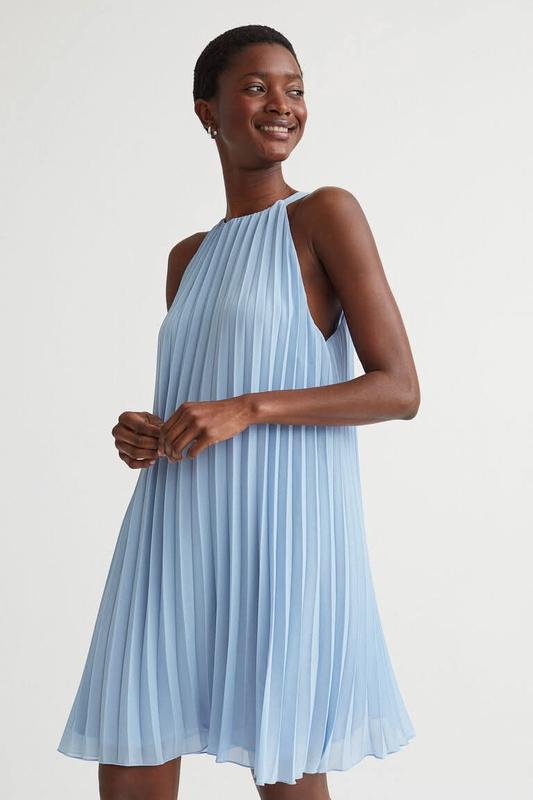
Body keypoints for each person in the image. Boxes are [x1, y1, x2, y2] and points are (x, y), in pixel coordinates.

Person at [57, 24, 420, 800]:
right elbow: (201, 395)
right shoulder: (187, 258)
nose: (281, 104)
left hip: (280, 533)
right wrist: (149, 433)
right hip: (171, 527)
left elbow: (398, 389)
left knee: (285, 772)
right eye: (256, 87)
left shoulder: (324, 214)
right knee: (130, 745)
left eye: (294, 88)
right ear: (207, 112)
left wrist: (248, 408)